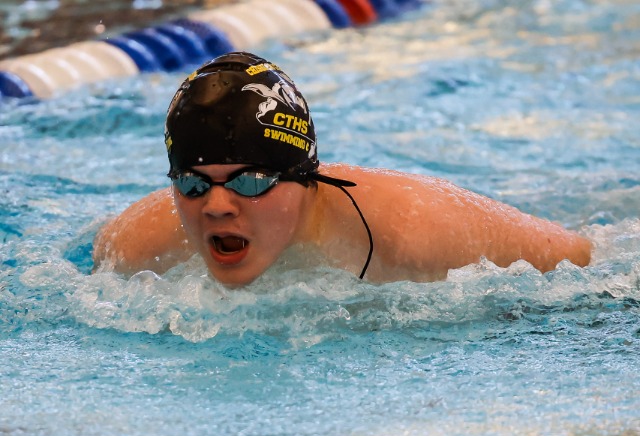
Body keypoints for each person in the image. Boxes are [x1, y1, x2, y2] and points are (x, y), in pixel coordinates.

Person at [93, 52, 592, 287]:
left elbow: (587, 262)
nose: (217, 206)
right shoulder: (136, 249)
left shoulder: (413, 229)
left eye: (250, 181)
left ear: (304, 179)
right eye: (192, 183)